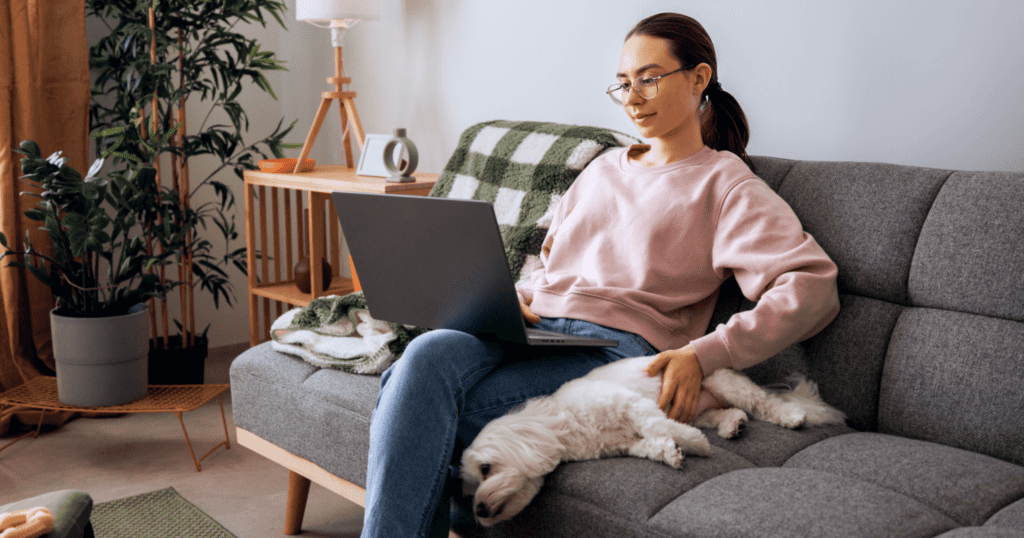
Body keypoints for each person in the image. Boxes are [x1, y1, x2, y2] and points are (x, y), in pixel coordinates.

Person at [361, 12, 840, 538]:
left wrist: (705, 355)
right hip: (533, 325)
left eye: (650, 78)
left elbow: (812, 287)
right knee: (422, 357)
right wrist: (506, 298)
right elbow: (552, 266)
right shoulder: (602, 168)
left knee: (422, 406)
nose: (633, 96)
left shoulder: (726, 184)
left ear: (699, 79)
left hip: (613, 351)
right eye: (624, 83)